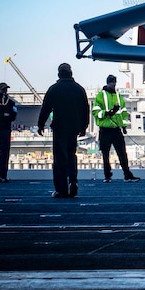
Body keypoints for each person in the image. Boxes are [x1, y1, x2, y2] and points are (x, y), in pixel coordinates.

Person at [37, 63, 90, 198]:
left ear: (59, 73)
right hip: (74, 128)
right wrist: (84, 127)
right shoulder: (79, 89)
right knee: (72, 156)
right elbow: (85, 110)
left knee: (60, 159)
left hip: (60, 127)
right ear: (71, 72)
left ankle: (61, 189)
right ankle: (73, 181)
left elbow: (46, 108)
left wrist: (40, 125)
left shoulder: (54, 89)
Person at [93, 74, 140, 183]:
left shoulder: (119, 96)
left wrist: (124, 126)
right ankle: (107, 175)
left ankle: (127, 175)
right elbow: (95, 111)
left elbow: (123, 113)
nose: (113, 84)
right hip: (105, 129)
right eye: (111, 82)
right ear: (107, 83)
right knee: (105, 154)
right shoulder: (101, 95)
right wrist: (107, 112)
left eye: (114, 82)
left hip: (116, 129)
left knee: (122, 153)